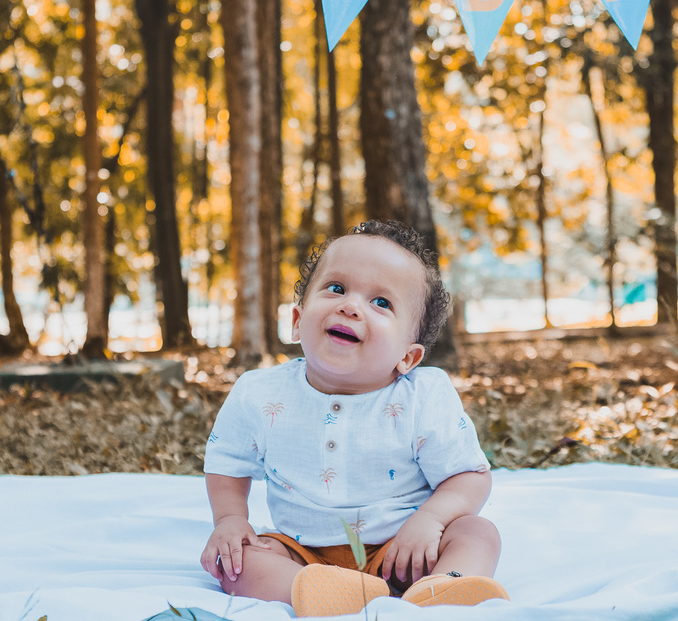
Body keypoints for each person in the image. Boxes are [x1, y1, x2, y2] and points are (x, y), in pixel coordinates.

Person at [200, 220, 507, 616]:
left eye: (381, 302)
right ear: (298, 319)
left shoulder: (423, 396)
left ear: (407, 357)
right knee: (236, 562)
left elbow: (469, 475)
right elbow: (227, 463)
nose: (351, 306)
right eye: (337, 288)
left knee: (477, 532)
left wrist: (430, 521)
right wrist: (229, 519)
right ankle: (327, 591)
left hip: (404, 550)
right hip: (301, 552)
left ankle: (444, 586)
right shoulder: (260, 393)